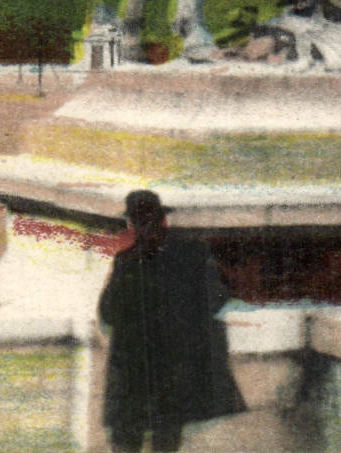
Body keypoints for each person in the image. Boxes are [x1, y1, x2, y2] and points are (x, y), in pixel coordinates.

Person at [98, 190, 244, 453]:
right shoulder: (192, 254)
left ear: (133, 224)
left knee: (135, 433)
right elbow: (217, 299)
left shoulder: (129, 261)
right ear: (162, 219)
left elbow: (108, 312)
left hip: (139, 365)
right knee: (163, 431)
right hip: (171, 364)